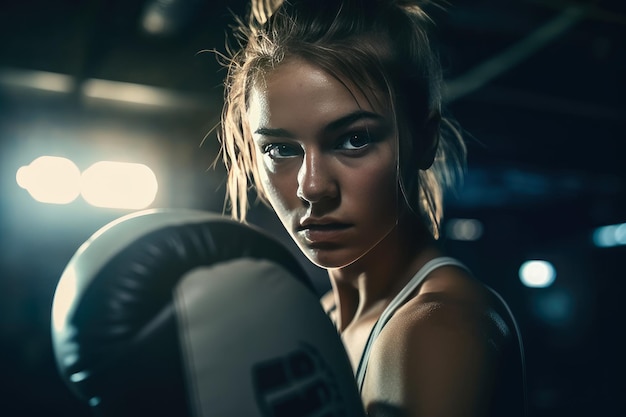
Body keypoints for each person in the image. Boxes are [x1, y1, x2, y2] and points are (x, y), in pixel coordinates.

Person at [218, 0, 527, 416]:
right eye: (280, 148)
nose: (312, 187)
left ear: (424, 139)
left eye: (354, 139)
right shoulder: (319, 318)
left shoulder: (436, 329)